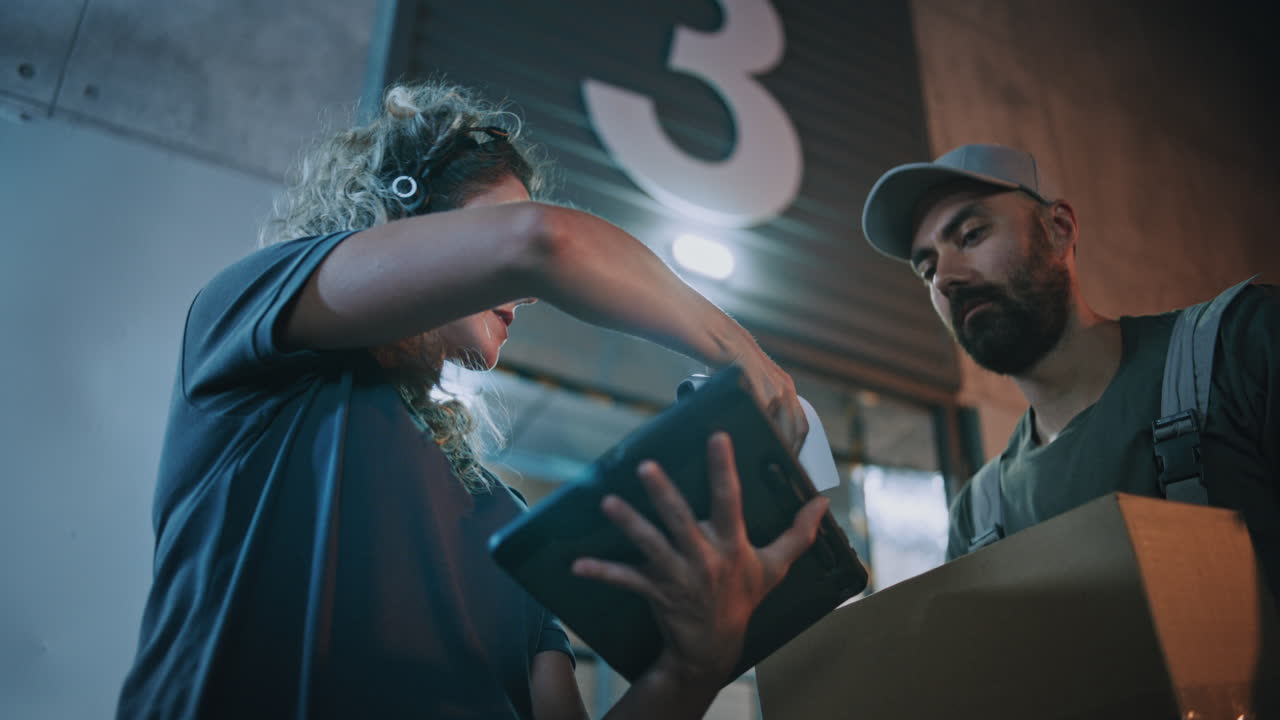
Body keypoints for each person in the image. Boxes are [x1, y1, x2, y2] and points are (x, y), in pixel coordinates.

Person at [116, 81, 829, 719]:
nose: (523, 297)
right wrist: (737, 349)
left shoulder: (503, 519)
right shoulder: (245, 321)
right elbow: (543, 242)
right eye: (488, 228)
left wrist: (691, 668)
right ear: (408, 217)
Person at [860, 143, 1279, 592]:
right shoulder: (977, 519)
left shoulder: (1238, 346)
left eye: (972, 235)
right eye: (927, 269)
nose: (945, 277)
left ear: (1059, 229)